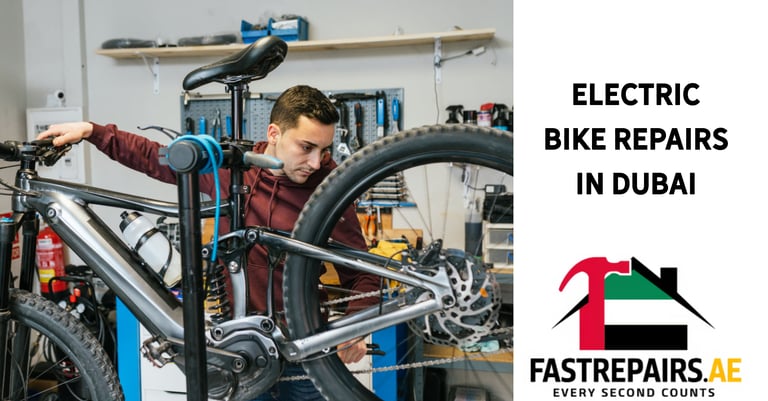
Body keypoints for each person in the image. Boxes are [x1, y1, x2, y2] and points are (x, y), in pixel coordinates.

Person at [38, 85, 378, 401]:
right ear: (274, 133)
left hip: (303, 355)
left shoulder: (330, 189)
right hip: (240, 352)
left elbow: (362, 272)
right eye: (306, 148)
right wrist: (93, 132)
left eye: (325, 150)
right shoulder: (233, 172)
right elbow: (155, 156)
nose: (316, 162)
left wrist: (355, 327)